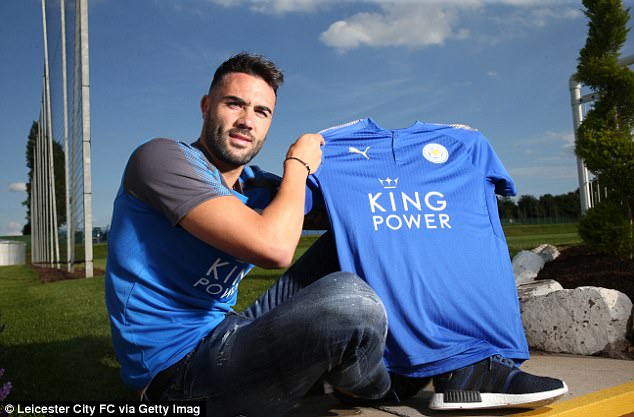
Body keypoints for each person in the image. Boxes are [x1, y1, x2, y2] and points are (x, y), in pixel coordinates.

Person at [104, 52, 391, 417]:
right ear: (207, 106)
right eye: (234, 104)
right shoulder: (161, 159)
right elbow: (274, 248)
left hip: (229, 330)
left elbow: (358, 213)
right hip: (179, 374)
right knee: (353, 303)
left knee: (349, 243)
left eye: (261, 111)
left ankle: (377, 358)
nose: (246, 121)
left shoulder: (256, 185)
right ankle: (378, 386)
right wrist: (298, 164)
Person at [307, 118, 568, 410]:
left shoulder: (465, 144)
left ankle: (411, 371)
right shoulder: (331, 148)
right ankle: (461, 369)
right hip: (379, 344)